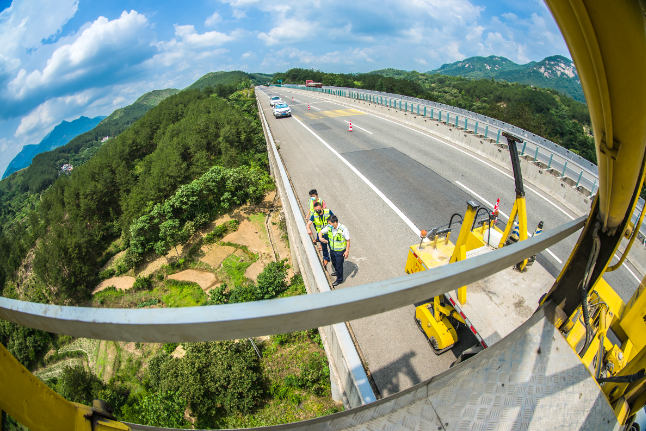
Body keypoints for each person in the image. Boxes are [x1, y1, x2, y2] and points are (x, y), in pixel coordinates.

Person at [318, 215, 350, 286]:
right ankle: (337, 272)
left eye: (330, 223)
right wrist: (320, 238)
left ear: (334, 222)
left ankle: (339, 279)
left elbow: (348, 240)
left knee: (339, 265)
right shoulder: (329, 227)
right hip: (332, 249)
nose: (329, 225)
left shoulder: (343, 229)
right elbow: (321, 232)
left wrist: (347, 251)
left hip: (340, 251)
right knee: (334, 262)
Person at [307, 202, 333, 267]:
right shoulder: (314, 215)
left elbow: (334, 220)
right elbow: (308, 224)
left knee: (332, 247)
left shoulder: (328, 212)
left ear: (321, 207)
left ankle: (333, 259)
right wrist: (308, 229)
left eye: (318, 209)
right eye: (316, 210)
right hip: (321, 235)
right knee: (324, 248)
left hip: (329, 233)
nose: (317, 211)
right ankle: (326, 259)